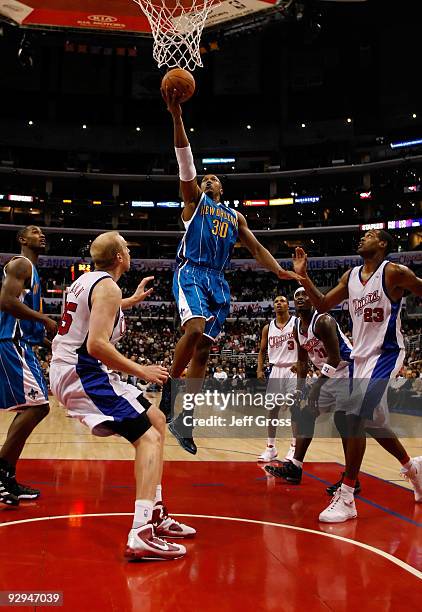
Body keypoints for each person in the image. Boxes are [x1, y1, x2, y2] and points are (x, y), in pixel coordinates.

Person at [159, 86, 302, 454]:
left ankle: (184, 421)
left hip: (218, 283)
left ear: (222, 187)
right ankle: (167, 389)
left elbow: (256, 249)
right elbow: (185, 161)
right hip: (192, 271)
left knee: (204, 352)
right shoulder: (193, 204)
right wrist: (177, 117)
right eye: (204, 178)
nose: (208, 180)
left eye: (213, 179)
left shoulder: (234, 216)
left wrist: (281, 272)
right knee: (193, 329)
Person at [50, 232, 194, 560]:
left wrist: (130, 301)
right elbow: (96, 345)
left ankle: (156, 513)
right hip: (84, 373)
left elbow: (97, 311)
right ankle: (141, 532)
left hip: (74, 369)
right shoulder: (107, 287)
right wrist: (143, 370)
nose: (129, 251)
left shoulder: (88, 282)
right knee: (147, 438)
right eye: (126, 248)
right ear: (118, 258)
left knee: (156, 422)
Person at [293, 229, 422, 522]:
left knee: (353, 415)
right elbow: (323, 305)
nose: (364, 237)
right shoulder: (350, 277)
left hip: (386, 354)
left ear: (383, 244)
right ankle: (413, 467)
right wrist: (303, 277)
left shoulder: (394, 273)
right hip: (360, 358)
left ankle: (348, 496)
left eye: (372, 234)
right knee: (361, 420)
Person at [265, 288, 360, 493]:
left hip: (347, 371)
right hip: (327, 374)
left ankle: (352, 479)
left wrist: (316, 387)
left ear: (314, 300)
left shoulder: (323, 321)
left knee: (343, 421)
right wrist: (300, 391)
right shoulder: (297, 326)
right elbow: (301, 360)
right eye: (297, 295)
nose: (300, 298)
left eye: (305, 294)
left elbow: (334, 358)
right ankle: (295, 467)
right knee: (306, 414)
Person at [0, 225, 57, 506]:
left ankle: (6, 475)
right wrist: (44, 319)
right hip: (10, 342)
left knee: (31, 408)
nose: (41, 234)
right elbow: (6, 301)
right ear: (22, 240)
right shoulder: (21, 264)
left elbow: (27, 321)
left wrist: (51, 342)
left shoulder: (34, 272)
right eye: (34, 231)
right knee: (39, 407)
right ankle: (0, 474)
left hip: (23, 344)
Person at [256, 295, 298, 463]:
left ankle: (294, 448)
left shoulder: (296, 323)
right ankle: (270, 448)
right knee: (272, 410)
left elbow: (307, 344)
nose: (279, 303)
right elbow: (262, 350)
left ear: (288, 305)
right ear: (273, 306)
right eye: (276, 301)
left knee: (295, 410)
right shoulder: (268, 327)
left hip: (292, 368)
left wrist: (302, 363)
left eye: (282, 301)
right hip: (276, 370)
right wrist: (260, 368)